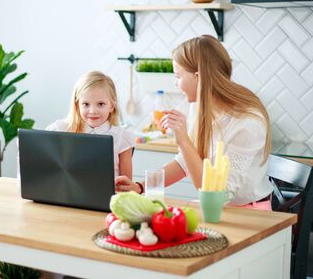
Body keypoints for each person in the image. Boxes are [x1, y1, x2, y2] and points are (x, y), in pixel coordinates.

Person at [115, 35, 274, 210]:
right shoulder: (198, 106)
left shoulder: (247, 123)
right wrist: (140, 187)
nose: (176, 84)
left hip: (251, 213)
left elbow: (218, 193)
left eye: (178, 76)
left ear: (198, 77)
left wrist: (183, 140)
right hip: (217, 208)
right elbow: (183, 163)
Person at [47, 71, 135, 178]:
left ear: (112, 106)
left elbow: (127, 186)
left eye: (100, 104)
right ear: (77, 105)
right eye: (86, 104)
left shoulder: (122, 138)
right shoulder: (60, 129)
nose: (93, 111)